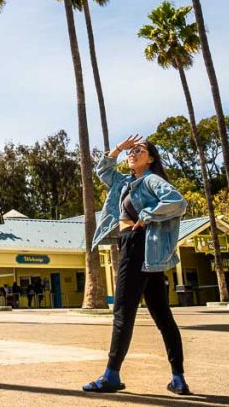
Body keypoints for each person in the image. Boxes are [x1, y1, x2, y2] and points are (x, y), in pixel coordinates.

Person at [82, 135, 190, 396]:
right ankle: (178, 378)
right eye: (131, 151)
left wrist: (147, 215)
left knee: (122, 311)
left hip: (137, 244)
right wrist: (118, 148)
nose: (133, 153)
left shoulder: (151, 179)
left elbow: (178, 202)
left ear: (151, 158)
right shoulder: (125, 182)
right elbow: (102, 170)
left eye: (139, 150)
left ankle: (111, 375)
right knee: (162, 315)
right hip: (142, 248)